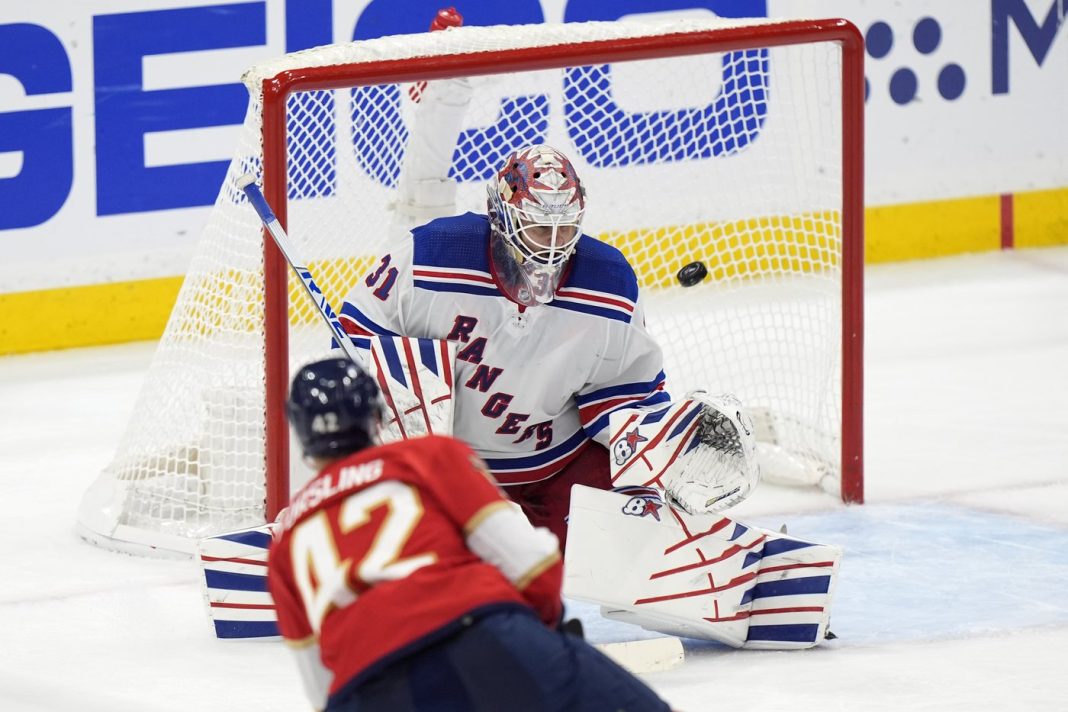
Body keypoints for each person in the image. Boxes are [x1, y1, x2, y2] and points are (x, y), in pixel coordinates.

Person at [266, 356, 672, 711]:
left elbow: (320, 686)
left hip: (364, 692)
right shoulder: (427, 456)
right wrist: (541, 633)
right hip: (479, 639)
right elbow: (531, 562)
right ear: (376, 413)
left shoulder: (285, 541)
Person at [339, 144, 671, 548]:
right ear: (500, 215)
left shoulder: (610, 284)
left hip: (556, 465)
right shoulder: (429, 257)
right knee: (426, 580)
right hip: (449, 473)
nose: (553, 244)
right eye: (537, 226)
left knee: (636, 547)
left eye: (565, 227)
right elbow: (357, 335)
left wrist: (651, 468)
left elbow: (627, 392)